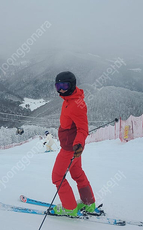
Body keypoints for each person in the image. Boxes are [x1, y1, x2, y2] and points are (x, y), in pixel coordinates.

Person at [50, 71, 95, 217]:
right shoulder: (69, 99)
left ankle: (69, 208)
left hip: (70, 148)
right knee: (77, 173)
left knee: (57, 177)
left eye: (64, 85)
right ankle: (89, 204)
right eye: (58, 86)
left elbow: (83, 128)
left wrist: (78, 144)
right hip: (73, 148)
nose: (61, 89)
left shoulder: (76, 104)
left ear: (72, 85)